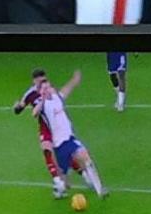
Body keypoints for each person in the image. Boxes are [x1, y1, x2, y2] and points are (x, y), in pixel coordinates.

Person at [33, 71, 108, 199]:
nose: (47, 90)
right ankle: (60, 189)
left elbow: (66, 90)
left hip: (70, 138)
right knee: (65, 182)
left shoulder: (57, 97)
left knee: (85, 157)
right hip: (59, 145)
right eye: (44, 89)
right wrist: (43, 99)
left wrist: (74, 80)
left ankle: (100, 190)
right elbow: (34, 113)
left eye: (48, 87)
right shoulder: (43, 105)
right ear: (40, 92)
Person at [13, 69, 69, 198]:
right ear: (34, 81)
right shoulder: (30, 94)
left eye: (43, 79)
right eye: (39, 80)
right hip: (45, 127)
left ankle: (84, 173)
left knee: (65, 153)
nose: (42, 83)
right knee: (47, 151)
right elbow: (19, 108)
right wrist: (16, 107)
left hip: (57, 125)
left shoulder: (50, 89)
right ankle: (57, 182)